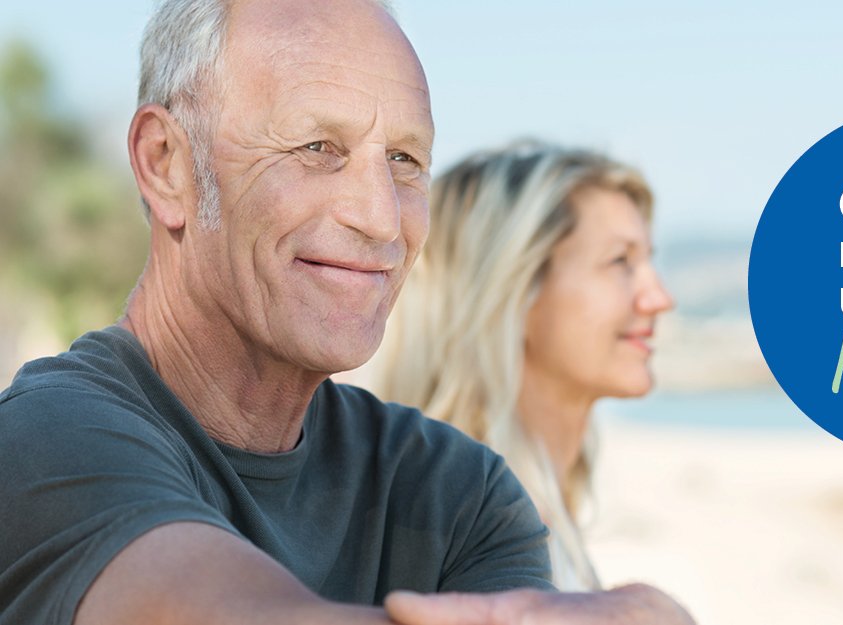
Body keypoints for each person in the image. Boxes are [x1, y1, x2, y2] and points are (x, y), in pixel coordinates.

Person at [0, 0, 695, 624]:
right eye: (316, 149)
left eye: (403, 159)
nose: (380, 218)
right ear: (166, 165)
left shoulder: (459, 491)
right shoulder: (46, 438)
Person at [375, 142, 674, 590]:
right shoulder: (469, 527)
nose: (659, 298)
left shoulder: (530, 506)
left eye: (648, 259)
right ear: (516, 291)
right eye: (620, 262)